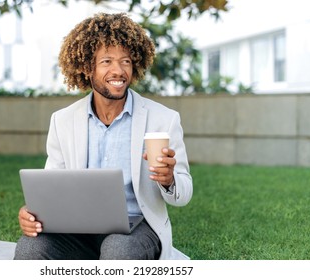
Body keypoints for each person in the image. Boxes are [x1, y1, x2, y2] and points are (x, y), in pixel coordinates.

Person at [14, 12, 193, 260]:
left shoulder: (164, 119)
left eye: (126, 61)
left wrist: (169, 180)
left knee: (118, 249)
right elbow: (51, 189)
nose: (118, 71)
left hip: (137, 227)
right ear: (88, 67)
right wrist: (32, 213)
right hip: (79, 231)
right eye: (107, 61)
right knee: (30, 247)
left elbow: (183, 194)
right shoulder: (63, 121)